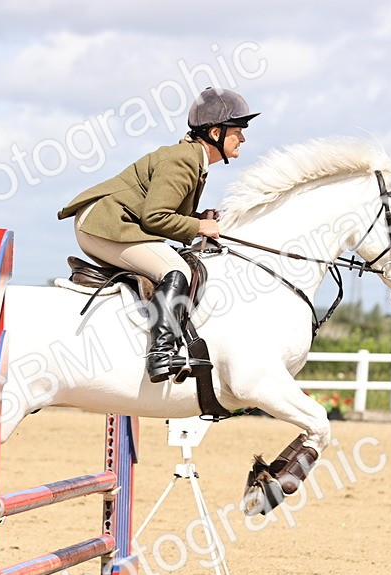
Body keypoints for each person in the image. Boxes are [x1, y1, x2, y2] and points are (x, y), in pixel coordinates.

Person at [59, 87, 258, 382]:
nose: (242, 137)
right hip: (104, 225)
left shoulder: (194, 159)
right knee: (177, 270)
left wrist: (196, 218)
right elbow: (155, 217)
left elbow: (158, 210)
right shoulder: (184, 160)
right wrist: (199, 227)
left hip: (114, 223)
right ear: (216, 132)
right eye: (238, 131)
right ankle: (161, 354)